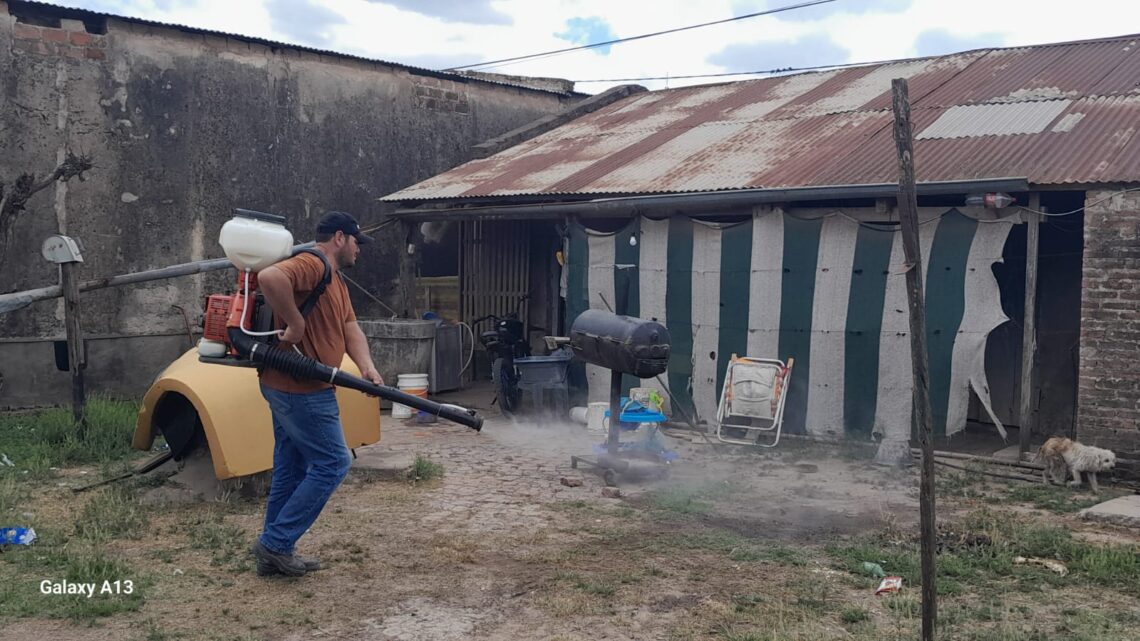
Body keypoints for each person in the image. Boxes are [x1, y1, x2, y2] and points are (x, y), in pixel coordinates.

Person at [250, 211, 383, 577]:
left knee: (291, 468)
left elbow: (350, 326)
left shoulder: (336, 280)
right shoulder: (312, 263)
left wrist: (367, 367)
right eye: (358, 242)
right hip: (301, 387)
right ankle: (275, 543)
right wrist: (295, 322)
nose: (360, 250)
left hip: (292, 385)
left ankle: (274, 551)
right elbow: (270, 276)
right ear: (339, 237)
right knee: (333, 463)